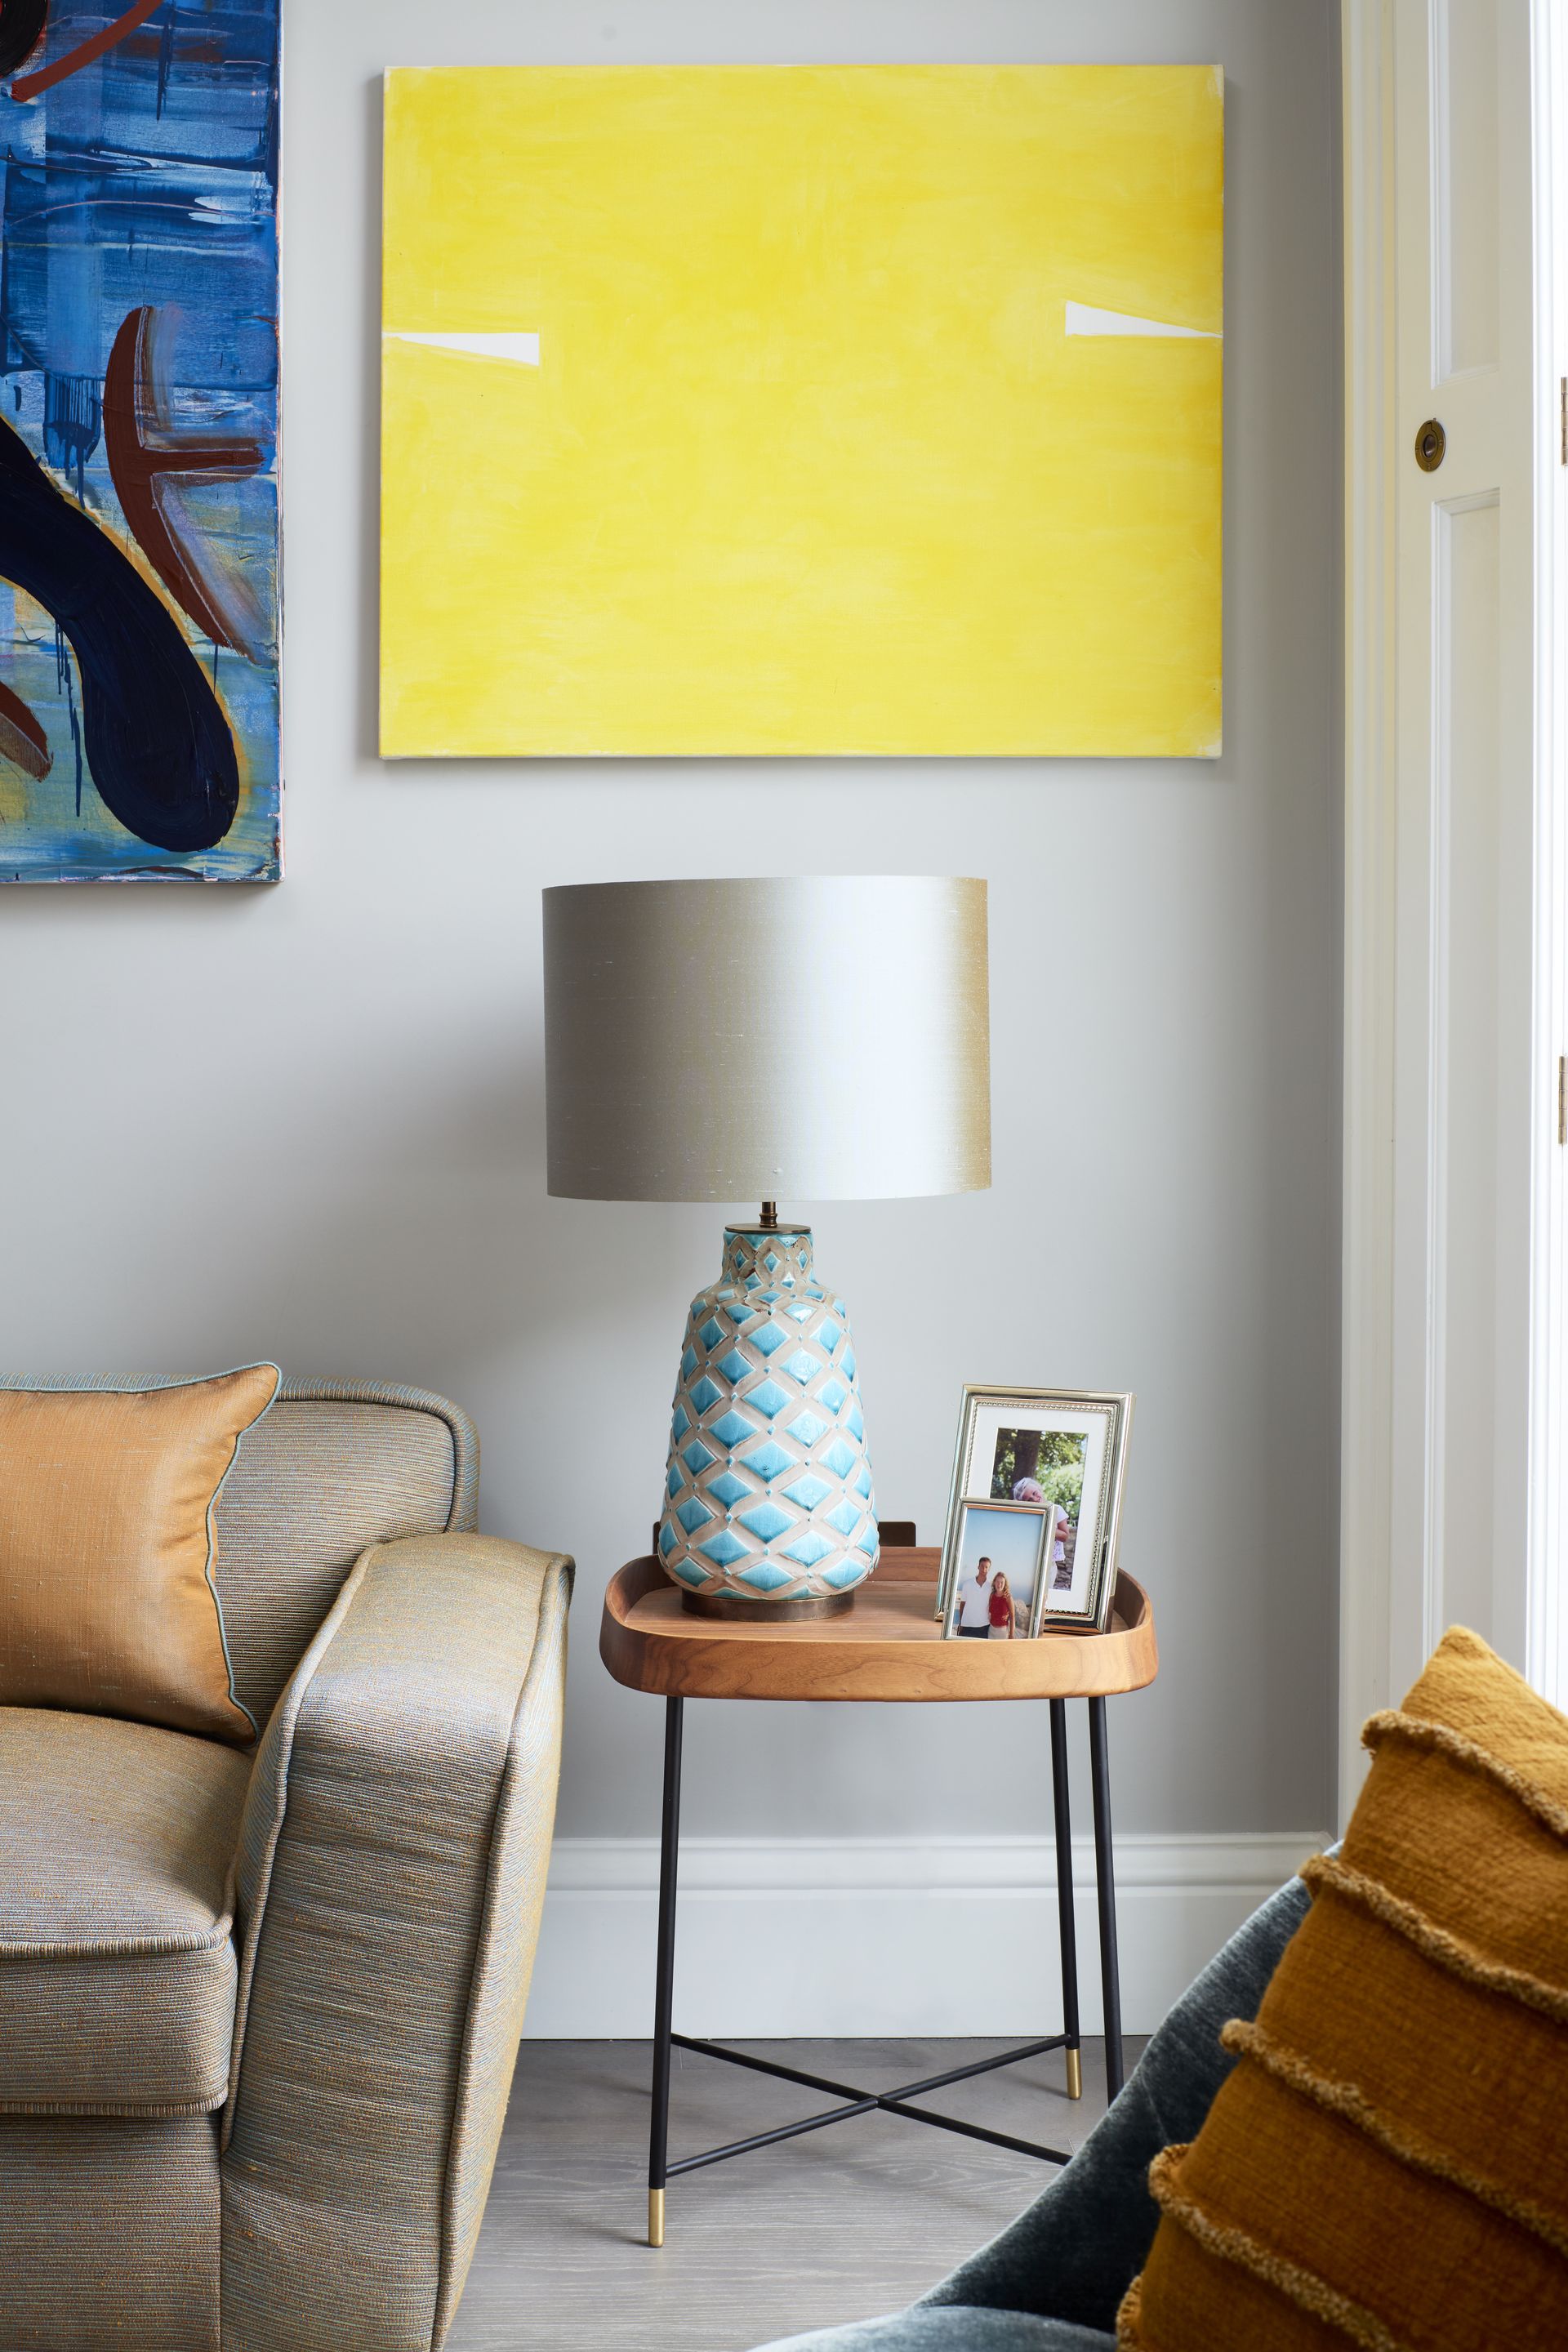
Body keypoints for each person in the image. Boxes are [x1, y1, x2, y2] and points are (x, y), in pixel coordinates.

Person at [954, 1555, 993, 1637]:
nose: (984, 1569)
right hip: (967, 1625)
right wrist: (961, 1622)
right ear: (978, 1567)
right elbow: (962, 1604)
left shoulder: (991, 1586)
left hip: (984, 1626)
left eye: (986, 1567)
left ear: (989, 1569)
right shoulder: (967, 1584)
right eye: (982, 1566)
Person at [988, 1569, 1017, 1638]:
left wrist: (1011, 1634)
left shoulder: (1008, 1598)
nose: (999, 1584)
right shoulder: (992, 1595)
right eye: (997, 1582)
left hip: (1003, 1632)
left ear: (1005, 1584)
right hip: (991, 1630)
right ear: (994, 1582)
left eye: (1002, 1582)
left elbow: (1013, 1616)